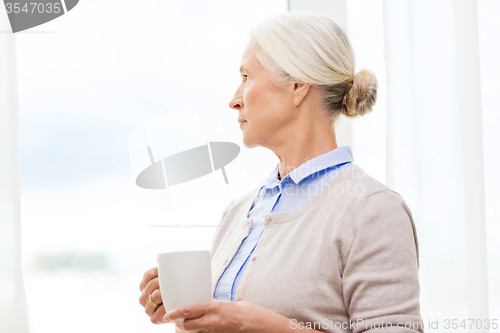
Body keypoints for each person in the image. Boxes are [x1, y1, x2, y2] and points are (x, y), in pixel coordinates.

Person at [139, 12, 424, 333]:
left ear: (298, 85)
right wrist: (191, 314)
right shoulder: (237, 212)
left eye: (246, 77)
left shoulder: (372, 210)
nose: (234, 100)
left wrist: (263, 325)